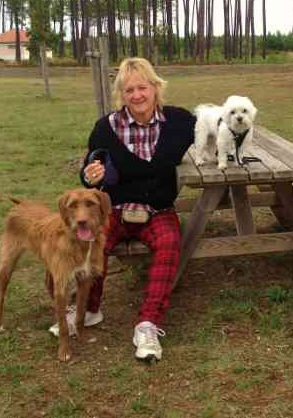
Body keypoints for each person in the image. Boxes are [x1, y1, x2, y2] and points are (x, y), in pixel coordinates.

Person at [50, 57, 195, 363]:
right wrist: (89, 174)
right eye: (129, 90)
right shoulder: (106, 127)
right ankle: (88, 309)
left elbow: (214, 126)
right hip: (114, 208)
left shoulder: (180, 122)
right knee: (91, 243)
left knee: (170, 243)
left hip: (158, 209)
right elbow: (92, 164)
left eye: (143, 87)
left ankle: (148, 324)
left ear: (155, 88)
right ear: (121, 94)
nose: (137, 95)